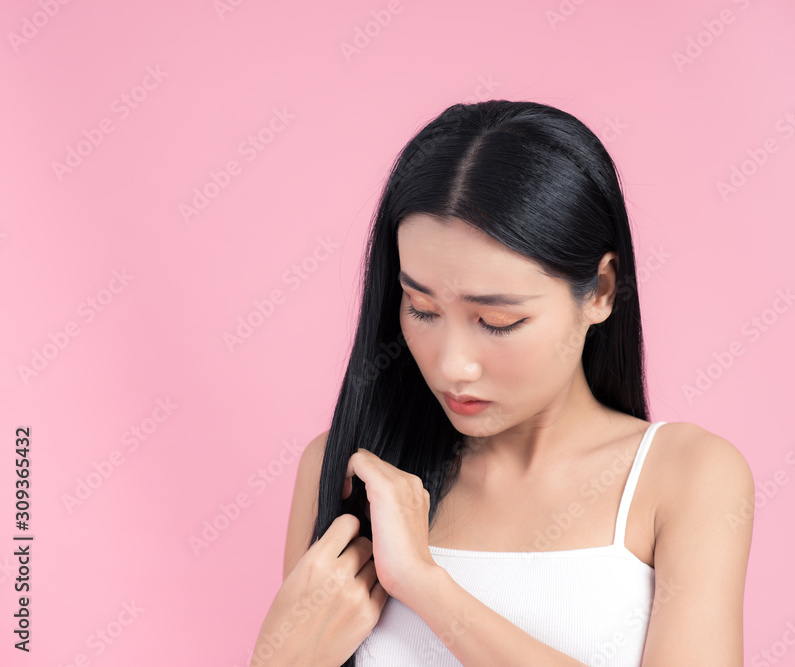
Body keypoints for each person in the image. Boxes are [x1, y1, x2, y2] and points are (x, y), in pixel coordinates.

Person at [250, 100, 754, 666]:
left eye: (498, 321)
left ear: (601, 291)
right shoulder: (347, 472)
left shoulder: (684, 476)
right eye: (420, 309)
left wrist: (425, 584)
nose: (452, 365)